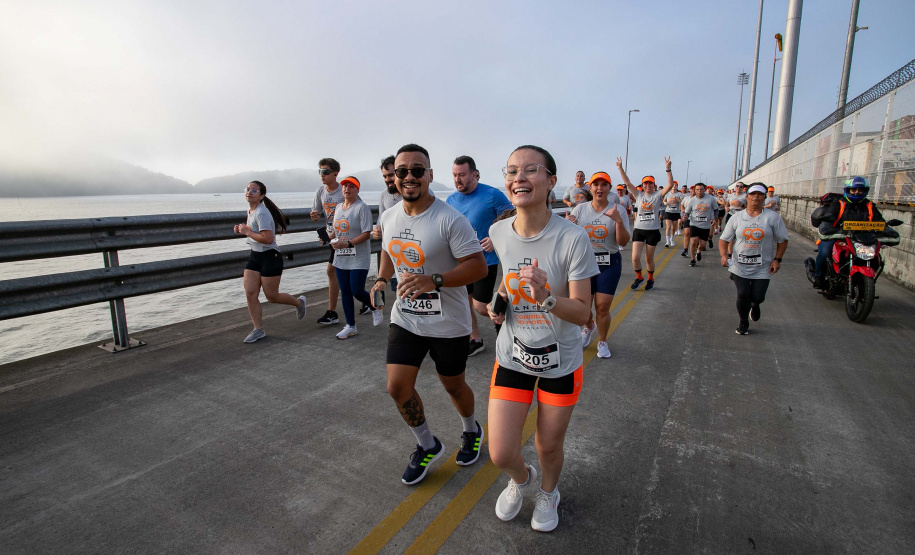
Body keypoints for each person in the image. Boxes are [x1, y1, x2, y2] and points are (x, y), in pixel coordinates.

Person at [487, 145, 599, 532]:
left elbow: (584, 313)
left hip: (560, 361)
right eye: (513, 170)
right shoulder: (498, 230)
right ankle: (522, 479)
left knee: (548, 445)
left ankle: (549, 493)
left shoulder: (573, 238)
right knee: (501, 452)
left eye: (531, 170)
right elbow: (508, 275)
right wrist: (500, 299)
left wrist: (546, 298)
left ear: (551, 182)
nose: (519, 177)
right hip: (513, 354)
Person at [370, 143, 488, 485]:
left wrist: (434, 280)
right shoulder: (390, 215)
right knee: (397, 387)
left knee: (453, 386)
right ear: (394, 176)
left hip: (448, 323)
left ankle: (470, 429)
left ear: (430, 175)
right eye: (401, 171)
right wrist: (381, 278)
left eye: (417, 170)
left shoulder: (451, 220)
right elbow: (389, 251)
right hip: (406, 317)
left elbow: (478, 267)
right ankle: (427, 444)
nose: (409, 177)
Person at [447, 155, 514, 357]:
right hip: (460, 261)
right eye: (454, 175)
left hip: (485, 261)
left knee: (480, 306)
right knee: (464, 302)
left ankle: (507, 323)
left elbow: (513, 218)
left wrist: (495, 238)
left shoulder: (492, 195)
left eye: (462, 175)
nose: (458, 179)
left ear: (475, 174)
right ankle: (475, 340)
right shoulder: (451, 200)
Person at [567, 172, 630, 358]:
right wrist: (567, 224)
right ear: (590, 187)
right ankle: (588, 326)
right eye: (596, 185)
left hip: (609, 262)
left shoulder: (618, 209)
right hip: (583, 263)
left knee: (602, 307)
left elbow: (623, 242)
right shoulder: (580, 209)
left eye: (604, 185)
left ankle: (602, 341)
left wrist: (618, 220)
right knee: (583, 307)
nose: (599, 188)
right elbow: (571, 238)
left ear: (609, 188)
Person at [235, 181, 307, 343]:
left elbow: (267, 239)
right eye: (247, 189)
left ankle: (299, 303)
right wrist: (243, 230)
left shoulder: (262, 212)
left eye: (254, 190)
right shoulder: (251, 210)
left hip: (270, 257)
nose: (249, 192)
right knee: (250, 293)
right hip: (255, 256)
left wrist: (248, 232)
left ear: (261, 196)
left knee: (272, 297)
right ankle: (258, 329)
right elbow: (255, 232)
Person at [719, 183, 789, 335]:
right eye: (753, 194)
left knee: (758, 296)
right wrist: (724, 255)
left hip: (762, 266)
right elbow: (724, 239)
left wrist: (777, 259)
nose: (756, 197)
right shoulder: (737, 217)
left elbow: (782, 240)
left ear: (764, 197)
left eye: (760, 194)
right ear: (747, 196)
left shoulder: (772, 218)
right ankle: (743, 322)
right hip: (739, 265)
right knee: (743, 294)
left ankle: (755, 304)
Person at [812, 176, 892, 289]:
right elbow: (830, 216)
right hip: (838, 236)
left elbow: (879, 221)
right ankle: (818, 277)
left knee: (875, 258)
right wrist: (828, 225)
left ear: (865, 191)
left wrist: (888, 230)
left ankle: (863, 283)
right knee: (825, 252)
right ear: (848, 190)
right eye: (853, 190)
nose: (856, 192)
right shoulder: (838, 204)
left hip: (862, 239)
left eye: (860, 190)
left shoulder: (869, 206)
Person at [329, 176, 383, 339]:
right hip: (341, 256)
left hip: (358, 256)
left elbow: (367, 233)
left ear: (357, 190)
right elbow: (336, 229)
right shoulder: (338, 207)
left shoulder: (362, 207)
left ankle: (376, 306)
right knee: (345, 291)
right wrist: (329, 238)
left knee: (356, 290)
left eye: (351, 186)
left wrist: (349, 243)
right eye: (345, 186)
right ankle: (350, 326)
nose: (347, 189)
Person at [616, 156, 677, 291]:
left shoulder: (657, 195)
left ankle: (650, 278)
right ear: (642, 185)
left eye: (650, 183)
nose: (648, 186)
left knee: (649, 259)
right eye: (645, 183)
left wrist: (668, 169)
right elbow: (627, 182)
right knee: (635, 258)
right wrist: (620, 168)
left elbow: (670, 184)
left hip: (652, 231)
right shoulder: (638, 195)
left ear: (654, 185)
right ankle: (639, 277)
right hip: (639, 230)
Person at [311, 158, 345, 325]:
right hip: (331, 237)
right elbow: (316, 212)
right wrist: (315, 215)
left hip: (344, 237)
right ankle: (369, 303)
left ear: (335, 173)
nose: (322, 175)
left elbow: (353, 212)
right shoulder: (320, 192)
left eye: (325, 172)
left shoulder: (343, 191)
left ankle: (332, 312)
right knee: (337, 272)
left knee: (333, 272)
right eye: (320, 172)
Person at [374, 155, 402, 293]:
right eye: (384, 176)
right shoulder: (384, 195)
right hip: (393, 254)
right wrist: (377, 230)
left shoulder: (414, 192)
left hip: (413, 252)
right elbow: (381, 220)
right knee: (399, 293)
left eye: (390, 175)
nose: (387, 180)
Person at [680, 182, 717, 267]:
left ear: (704, 189)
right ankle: (692, 259)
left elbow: (716, 209)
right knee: (693, 241)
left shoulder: (711, 199)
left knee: (702, 245)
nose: (699, 191)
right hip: (694, 224)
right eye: (697, 189)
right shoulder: (692, 200)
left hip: (705, 225)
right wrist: (685, 217)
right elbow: (687, 212)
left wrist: (714, 218)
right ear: (694, 190)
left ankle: (698, 251)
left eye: (701, 189)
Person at [663, 181, 683, 247]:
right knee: (668, 226)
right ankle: (667, 241)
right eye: (673, 185)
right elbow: (664, 200)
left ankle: (672, 239)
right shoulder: (667, 193)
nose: (674, 186)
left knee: (673, 227)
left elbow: (682, 202)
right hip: (668, 211)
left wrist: (677, 199)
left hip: (676, 212)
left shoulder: (679, 194)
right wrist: (665, 203)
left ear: (677, 186)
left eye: (676, 185)